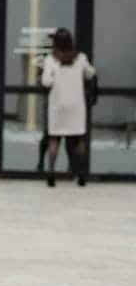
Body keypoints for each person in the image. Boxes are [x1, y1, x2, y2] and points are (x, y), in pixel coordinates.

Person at [40, 28, 96, 187]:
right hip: (76, 106)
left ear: (55, 43)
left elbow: (46, 82)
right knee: (78, 140)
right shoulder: (80, 58)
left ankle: (51, 172)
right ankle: (81, 174)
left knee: (54, 139)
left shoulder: (51, 60)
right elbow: (90, 73)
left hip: (58, 105)